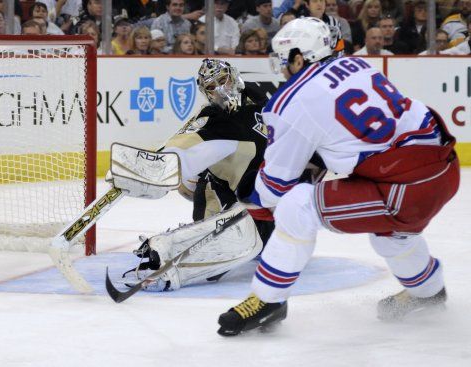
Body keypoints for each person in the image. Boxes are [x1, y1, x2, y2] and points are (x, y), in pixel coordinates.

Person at [217, 17, 459, 336]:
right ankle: (429, 293)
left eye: (283, 59)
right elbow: (357, 136)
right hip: (442, 166)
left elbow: (275, 187)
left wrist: (252, 196)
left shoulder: (291, 101)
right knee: (392, 235)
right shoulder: (358, 67)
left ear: (299, 57)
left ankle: (267, 301)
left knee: (297, 206)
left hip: (403, 188)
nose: (282, 67)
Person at [120, 58, 278, 292]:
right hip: (219, 191)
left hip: (259, 197)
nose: (220, 90)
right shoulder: (213, 116)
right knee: (218, 259)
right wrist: (151, 165)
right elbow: (182, 142)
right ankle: (162, 249)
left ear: (233, 77)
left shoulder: (264, 102)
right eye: (212, 87)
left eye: (222, 81)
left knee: (266, 247)